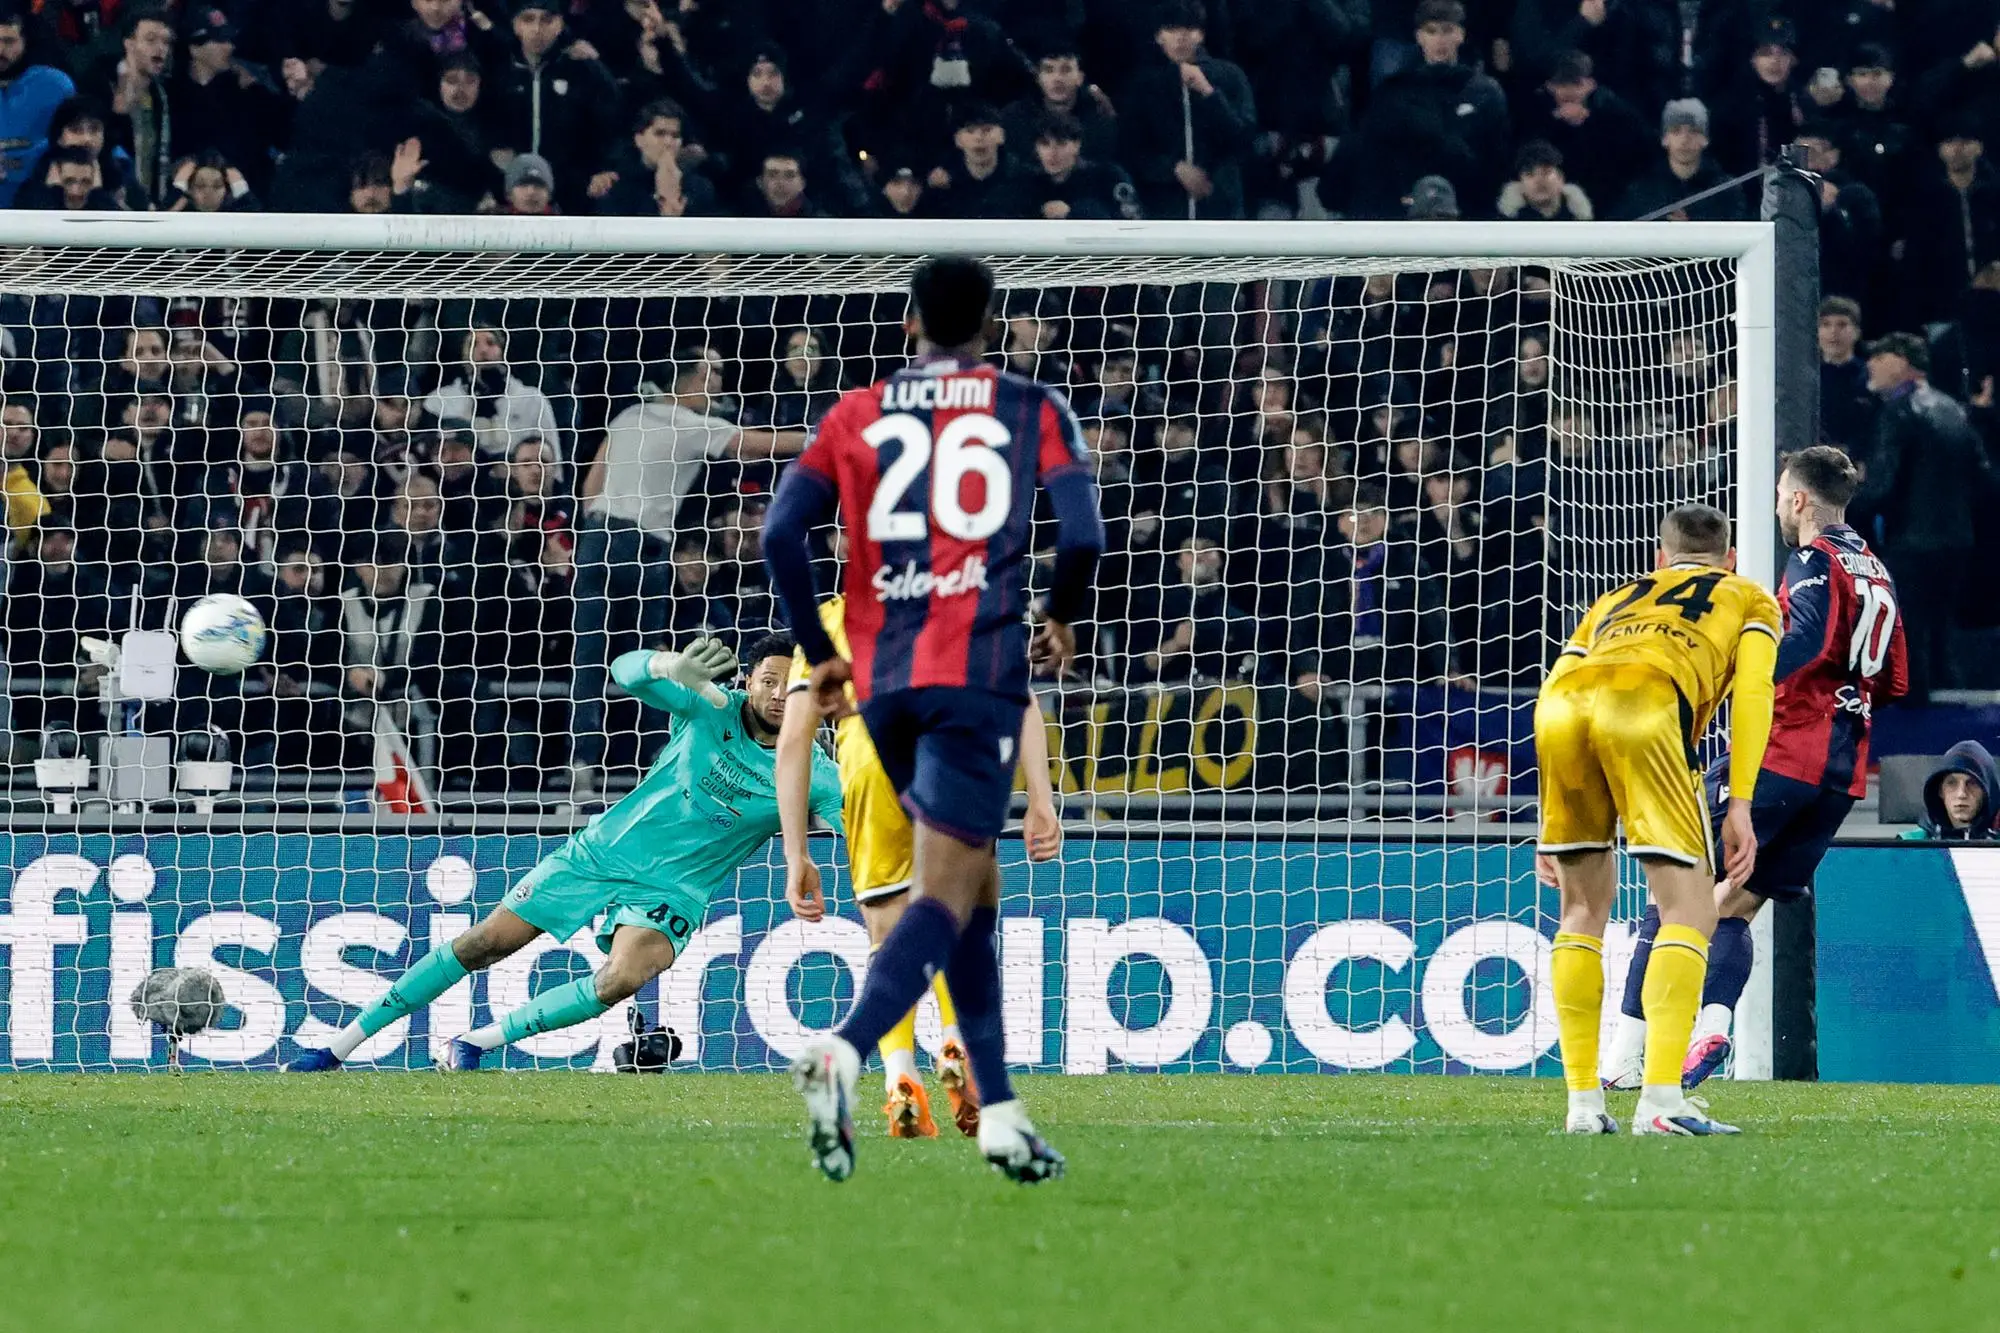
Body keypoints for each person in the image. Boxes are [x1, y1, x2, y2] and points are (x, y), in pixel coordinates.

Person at [762, 255, 1105, 1184]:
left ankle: (1002, 1115)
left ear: (910, 321)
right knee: (947, 897)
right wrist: (1061, 614)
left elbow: (779, 533)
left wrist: (819, 648)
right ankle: (842, 1052)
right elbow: (1083, 534)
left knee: (972, 894)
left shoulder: (854, 412)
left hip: (882, 681)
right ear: (989, 324)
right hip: (972, 676)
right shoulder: (1029, 406)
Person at [289, 633, 843, 1071]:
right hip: (600, 855)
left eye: (791, 685)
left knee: (622, 978)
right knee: (484, 942)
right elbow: (623, 671)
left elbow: (861, 822)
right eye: (769, 681)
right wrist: (667, 666)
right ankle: (338, 1048)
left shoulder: (815, 772)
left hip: (675, 890)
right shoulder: (710, 706)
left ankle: (475, 1043)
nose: (778, 695)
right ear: (747, 681)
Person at [1605, 448, 1907, 1093]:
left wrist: (1737, 678)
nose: (1775, 508)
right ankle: (1714, 1026)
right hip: (1841, 771)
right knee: (1734, 908)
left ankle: (1624, 1057)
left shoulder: (1815, 560)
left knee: (1673, 891)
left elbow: (1803, 641)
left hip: (1782, 753)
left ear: (1798, 499)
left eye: (1777, 496)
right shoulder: (1876, 567)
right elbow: (1893, 678)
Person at [776, 593, 1063, 1139]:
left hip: (869, 761)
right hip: (953, 756)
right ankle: (956, 1043)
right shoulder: (961, 595)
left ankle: (899, 1079)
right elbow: (1017, 695)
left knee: (887, 933)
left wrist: (797, 853)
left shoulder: (830, 619)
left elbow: (794, 741)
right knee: (957, 915)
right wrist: (1041, 799)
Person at [1536, 502, 1779, 1136]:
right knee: (1691, 911)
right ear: (1729, 559)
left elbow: (1559, 679)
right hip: (1647, 702)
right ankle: (1662, 1101)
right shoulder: (1749, 598)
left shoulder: (1616, 598)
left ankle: (1583, 1106)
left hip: (1562, 709)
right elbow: (1755, 694)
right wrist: (1741, 801)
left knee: (1579, 909)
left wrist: (1548, 816)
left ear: (1660, 558)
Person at [570, 352, 806, 797]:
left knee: (589, 655)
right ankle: (656, 760)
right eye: (714, 373)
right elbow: (754, 444)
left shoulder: (628, 416)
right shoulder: (691, 424)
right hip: (643, 545)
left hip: (597, 538)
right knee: (649, 658)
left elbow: (589, 487)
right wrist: (820, 437)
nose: (719, 383)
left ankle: (581, 762)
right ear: (695, 376)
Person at [1856, 331, 1995, 703]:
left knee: (1910, 638)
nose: (1870, 364)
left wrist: (1841, 508)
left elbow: (1882, 486)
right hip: (1957, 540)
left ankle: (1912, 720)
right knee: (1941, 636)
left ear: (1902, 362)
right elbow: (1982, 477)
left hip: (1912, 543)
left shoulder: (1899, 411)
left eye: (1879, 356)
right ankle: (1951, 720)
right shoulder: (1953, 408)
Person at [1118, 1, 1256, 221]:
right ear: (1159, 36)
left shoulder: (1230, 76)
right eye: (1172, 29)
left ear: (1200, 34)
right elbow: (1131, 149)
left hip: (1221, 208)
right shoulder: (1144, 85)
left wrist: (1209, 93)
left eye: (1189, 29)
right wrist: (1173, 169)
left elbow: (1245, 140)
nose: (1181, 37)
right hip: (1164, 211)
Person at [1614, 98, 1748, 221]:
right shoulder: (1641, 193)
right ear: (1665, 139)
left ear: (1705, 139)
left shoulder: (1726, 192)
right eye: (1676, 131)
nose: (1684, 140)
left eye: (1694, 131)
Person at [0, 3, 75, 208]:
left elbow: (80, 139)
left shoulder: (56, 86)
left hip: (42, 204)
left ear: (25, 41)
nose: (0, 50)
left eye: (8, 41)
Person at [1898, 743, 1999, 841]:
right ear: (1940, 791)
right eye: (1952, 783)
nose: (1961, 794)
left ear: (1987, 792)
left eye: (1972, 783)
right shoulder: (1907, 845)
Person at [1818, 296, 1874, 452]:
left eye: (1842, 324)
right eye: (1825, 324)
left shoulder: (1870, 376)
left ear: (1857, 332)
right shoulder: (1807, 379)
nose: (1833, 332)